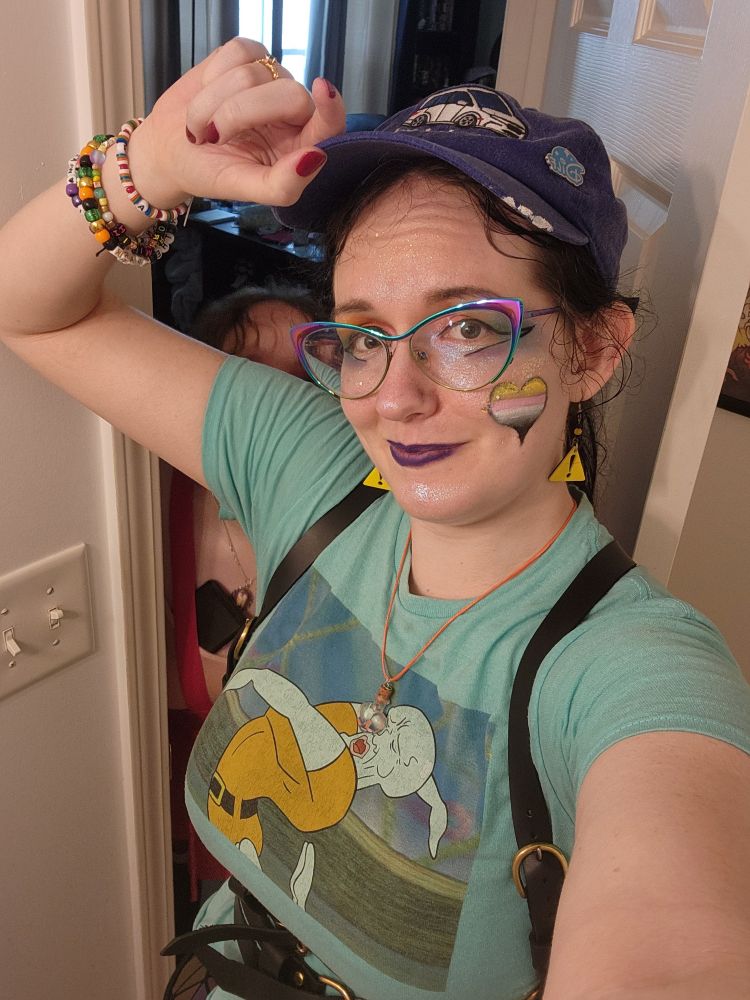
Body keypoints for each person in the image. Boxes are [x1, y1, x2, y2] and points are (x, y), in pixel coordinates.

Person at [0, 38, 749, 1000]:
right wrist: (150, 164)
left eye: (468, 328)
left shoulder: (627, 667)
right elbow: (32, 309)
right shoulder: (316, 468)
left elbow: (674, 940)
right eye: (363, 337)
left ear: (594, 350)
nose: (394, 399)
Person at [164, 283, 318, 928]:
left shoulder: (351, 508)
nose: (276, 391)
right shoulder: (155, 493)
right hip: (201, 782)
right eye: (252, 361)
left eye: (303, 371)